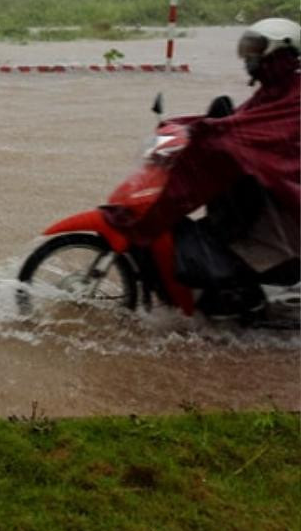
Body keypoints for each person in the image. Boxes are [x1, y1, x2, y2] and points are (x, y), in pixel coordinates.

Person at [116, 18, 300, 315]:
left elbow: (240, 133)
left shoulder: (294, 96)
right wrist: (180, 129)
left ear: (280, 53)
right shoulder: (271, 91)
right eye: (248, 49)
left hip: (285, 208)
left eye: (257, 49)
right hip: (268, 193)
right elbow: (233, 122)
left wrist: (203, 133)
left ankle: (242, 299)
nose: (250, 57)